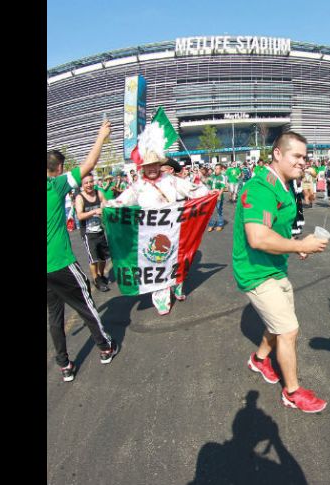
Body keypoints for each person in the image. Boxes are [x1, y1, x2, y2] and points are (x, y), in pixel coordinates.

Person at [234, 132, 329, 413]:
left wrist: (293, 247)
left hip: (274, 268)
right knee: (289, 330)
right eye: (297, 156)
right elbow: (258, 238)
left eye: (305, 156)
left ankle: (260, 359)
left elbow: (277, 229)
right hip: (255, 273)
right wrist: (299, 244)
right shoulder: (261, 187)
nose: (304, 162)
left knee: (278, 324)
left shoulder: (285, 185)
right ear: (277, 154)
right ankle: (292, 392)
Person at [109, 129, 211, 315]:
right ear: (143, 168)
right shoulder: (138, 186)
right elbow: (122, 201)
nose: (152, 168)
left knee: (177, 259)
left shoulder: (171, 180)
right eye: (149, 166)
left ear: (159, 165)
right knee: (156, 264)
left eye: (155, 164)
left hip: (174, 229)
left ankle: (178, 287)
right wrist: (108, 206)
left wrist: (208, 192)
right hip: (151, 233)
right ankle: (162, 297)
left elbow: (193, 190)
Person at [47, 120, 119, 382]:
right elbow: (88, 165)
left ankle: (64, 364)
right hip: (60, 262)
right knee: (86, 303)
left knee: (54, 317)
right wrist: (101, 136)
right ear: (60, 169)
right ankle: (105, 346)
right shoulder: (54, 186)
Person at [75, 174, 111, 292]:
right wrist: (94, 211)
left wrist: (106, 207)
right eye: (86, 183)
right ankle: (96, 279)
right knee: (94, 258)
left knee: (104, 257)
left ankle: (101, 275)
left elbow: (106, 204)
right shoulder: (80, 198)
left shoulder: (98, 193)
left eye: (91, 182)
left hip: (99, 230)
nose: (89, 185)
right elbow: (80, 215)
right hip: (88, 233)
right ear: (82, 185)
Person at [207, 163, 228, 232]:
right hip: (211, 197)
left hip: (218, 196)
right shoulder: (212, 176)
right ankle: (211, 225)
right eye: (215, 168)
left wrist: (219, 195)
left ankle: (220, 225)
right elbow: (208, 183)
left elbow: (222, 188)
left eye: (217, 169)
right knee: (211, 212)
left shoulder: (222, 176)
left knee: (219, 211)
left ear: (221, 169)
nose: (216, 170)